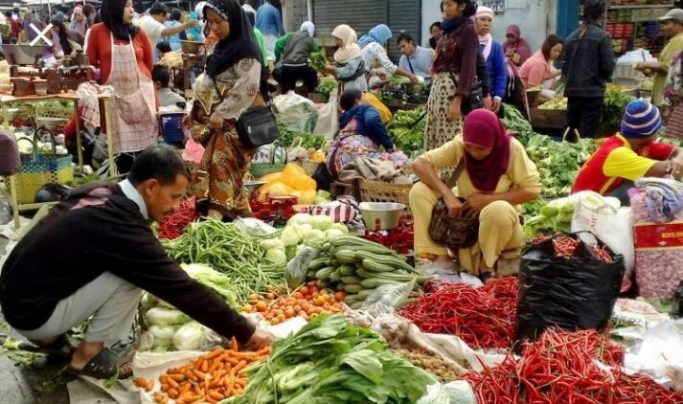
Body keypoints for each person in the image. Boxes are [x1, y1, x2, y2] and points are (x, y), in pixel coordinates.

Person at [0, 145, 270, 380]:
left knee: (104, 267)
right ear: (151, 186)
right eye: (175, 196)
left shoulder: (100, 190)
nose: (177, 207)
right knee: (131, 277)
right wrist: (245, 331)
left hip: (16, 301)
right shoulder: (123, 229)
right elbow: (183, 290)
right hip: (33, 316)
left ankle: (52, 341)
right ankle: (85, 356)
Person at [409, 109, 540, 280]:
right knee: (419, 191)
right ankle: (440, 257)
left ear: (495, 142)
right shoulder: (461, 145)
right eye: (470, 147)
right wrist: (448, 194)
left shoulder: (511, 149)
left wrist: (488, 200)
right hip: (465, 225)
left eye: (482, 149)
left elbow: (532, 189)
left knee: (497, 209)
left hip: (501, 229)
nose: (474, 153)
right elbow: (419, 163)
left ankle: (487, 265)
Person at [185, 0, 268, 221]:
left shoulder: (246, 50)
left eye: (218, 22)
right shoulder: (220, 48)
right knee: (227, 171)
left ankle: (214, 220)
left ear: (232, 19)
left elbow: (247, 88)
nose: (213, 27)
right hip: (221, 119)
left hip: (242, 121)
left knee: (219, 163)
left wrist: (222, 112)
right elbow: (209, 82)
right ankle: (242, 217)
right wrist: (196, 110)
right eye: (209, 22)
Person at [87, 0, 159, 174]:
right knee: (121, 157)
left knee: (146, 156)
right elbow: (90, 64)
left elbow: (149, 65)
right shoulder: (97, 31)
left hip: (142, 100)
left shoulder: (138, 33)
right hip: (114, 103)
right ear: (114, 7)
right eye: (127, 5)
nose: (132, 10)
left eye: (132, 5)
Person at [573, 100, 683, 206]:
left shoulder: (638, 143)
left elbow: (678, 151)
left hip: (601, 198)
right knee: (646, 187)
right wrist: (678, 161)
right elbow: (667, 169)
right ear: (651, 132)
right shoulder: (617, 153)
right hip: (584, 207)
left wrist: (679, 158)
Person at [425, 0, 479, 151]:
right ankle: (434, 172)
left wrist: (458, 100)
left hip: (451, 92)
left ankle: (451, 174)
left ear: (461, 6)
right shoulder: (448, 28)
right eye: (444, 5)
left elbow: (468, 68)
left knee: (449, 137)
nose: (445, 9)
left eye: (450, 5)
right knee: (435, 135)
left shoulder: (468, 30)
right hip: (439, 89)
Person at [562, 0, 615, 139]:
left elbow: (565, 68)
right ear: (601, 15)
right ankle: (584, 161)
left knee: (570, 132)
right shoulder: (603, 36)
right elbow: (608, 67)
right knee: (586, 136)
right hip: (592, 94)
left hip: (573, 93)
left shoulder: (570, 37)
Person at [326, 89, 408, 178]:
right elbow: (372, 121)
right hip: (355, 155)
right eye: (364, 96)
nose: (366, 98)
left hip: (334, 162)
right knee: (401, 159)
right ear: (357, 101)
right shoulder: (365, 108)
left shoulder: (344, 118)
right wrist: (389, 146)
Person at [635, 9, 683, 108]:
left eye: (667, 23)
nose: (663, 28)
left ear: (679, 24)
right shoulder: (674, 40)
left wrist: (645, 64)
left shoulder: (679, 41)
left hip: (666, 100)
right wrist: (650, 71)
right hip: (663, 96)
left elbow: (669, 68)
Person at [475, 6, 506, 114]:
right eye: (482, 19)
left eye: (489, 20)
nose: (486, 23)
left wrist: (498, 95)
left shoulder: (496, 46)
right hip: (470, 94)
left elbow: (501, 72)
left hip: (489, 95)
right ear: (474, 21)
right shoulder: (468, 43)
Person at [273, 21, 320, 93]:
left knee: (287, 92)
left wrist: (278, 58)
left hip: (287, 67)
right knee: (313, 74)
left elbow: (278, 43)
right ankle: (311, 92)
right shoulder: (311, 40)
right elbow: (317, 54)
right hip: (302, 68)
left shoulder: (290, 35)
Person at [519, 34, 563, 103]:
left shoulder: (545, 57)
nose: (557, 54)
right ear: (548, 48)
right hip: (522, 95)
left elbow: (546, 75)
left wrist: (562, 70)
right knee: (552, 97)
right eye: (555, 50)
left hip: (530, 91)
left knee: (553, 96)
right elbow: (532, 90)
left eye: (559, 51)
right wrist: (549, 98)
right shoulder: (539, 63)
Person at [324, 24, 367, 92]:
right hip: (346, 85)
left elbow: (350, 70)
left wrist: (334, 70)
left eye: (337, 39)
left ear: (344, 37)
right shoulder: (343, 49)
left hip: (354, 86)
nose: (336, 42)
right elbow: (342, 63)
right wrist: (332, 65)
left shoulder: (354, 50)